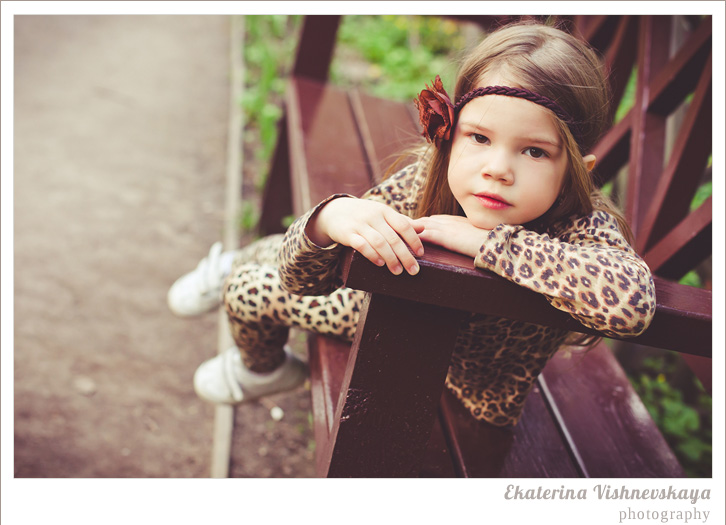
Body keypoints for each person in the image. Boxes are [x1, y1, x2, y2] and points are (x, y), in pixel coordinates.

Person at [168, 22, 655, 427]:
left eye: (533, 151)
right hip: (389, 312)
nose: (498, 168)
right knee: (287, 248)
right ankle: (248, 269)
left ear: (576, 168)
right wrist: (330, 219)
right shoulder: (432, 174)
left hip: (470, 383)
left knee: (248, 287)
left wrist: (489, 243)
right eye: (480, 137)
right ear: (450, 133)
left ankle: (260, 369)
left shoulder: (580, 225)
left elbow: (631, 303)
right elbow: (306, 277)